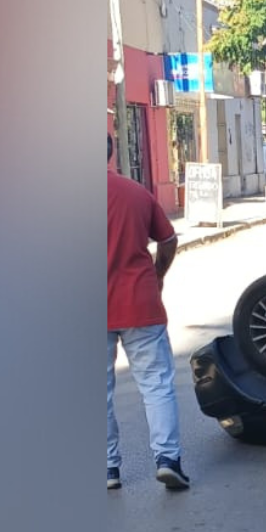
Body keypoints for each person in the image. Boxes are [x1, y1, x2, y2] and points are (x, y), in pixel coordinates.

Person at [107, 134, 190, 490]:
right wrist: (158, 274)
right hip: (140, 302)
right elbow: (168, 240)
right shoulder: (136, 193)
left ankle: (108, 468)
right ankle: (168, 459)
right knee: (156, 386)